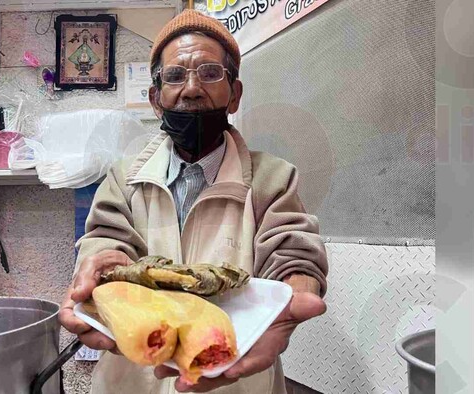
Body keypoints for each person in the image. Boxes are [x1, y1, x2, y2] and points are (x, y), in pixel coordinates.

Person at [59, 9, 328, 394]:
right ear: (156, 99)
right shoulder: (124, 177)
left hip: (235, 373)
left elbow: (293, 252)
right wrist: (98, 263)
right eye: (174, 76)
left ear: (234, 95)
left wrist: (295, 291)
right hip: (137, 374)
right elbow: (106, 239)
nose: (190, 89)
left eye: (209, 73)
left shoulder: (273, 178)